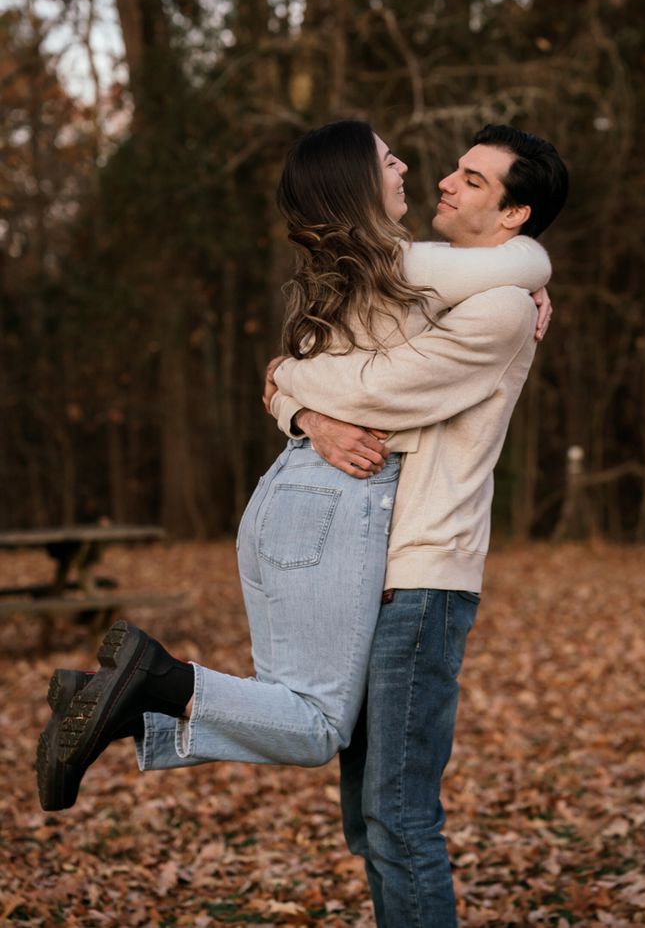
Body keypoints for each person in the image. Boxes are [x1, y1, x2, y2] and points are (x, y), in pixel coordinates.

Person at [36, 120, 552, 814]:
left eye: (468, 176)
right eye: (390, 160)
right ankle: (153, 682)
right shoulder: (396, 268)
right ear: (357, 183)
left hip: (286, 491)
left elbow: (296, 373)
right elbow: (389, 371)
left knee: (291, 706)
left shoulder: (347, 270)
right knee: (314, 725)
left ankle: (128, 711)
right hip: (336, 503)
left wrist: (293, 397)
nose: (416, 172)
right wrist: (297, 392)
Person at [265, 123, 568, 927]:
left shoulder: (503, 307)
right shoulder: (432, 289)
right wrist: (302, 411)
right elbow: (337, 383)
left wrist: (289, 379)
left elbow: (381, 393)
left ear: (513, 215)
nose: (445, 182)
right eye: (454, 170)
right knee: (370, 820)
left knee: (399, 818)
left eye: (474, 179)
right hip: (368, 565)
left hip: (424, 578)